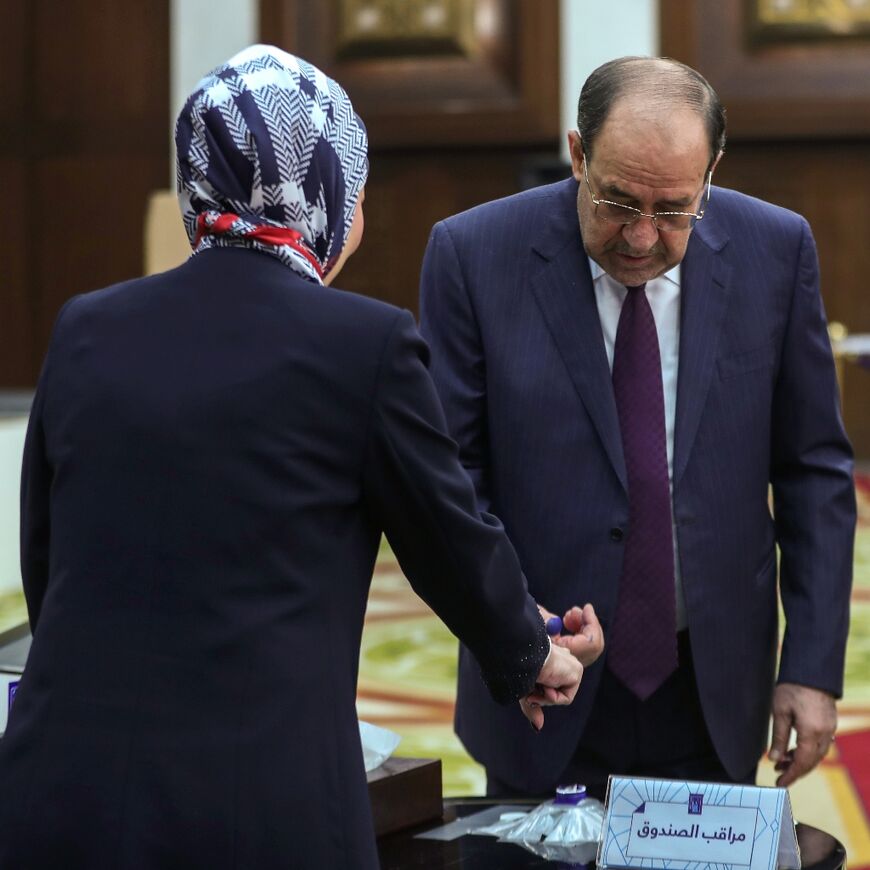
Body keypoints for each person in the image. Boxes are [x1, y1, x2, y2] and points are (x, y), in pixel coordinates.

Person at [0, 46, 583, 870]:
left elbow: (49, 562)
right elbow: (449, 539)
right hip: (258, 805)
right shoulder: (364, 345)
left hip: (64, 792)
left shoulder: (85, 327)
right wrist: (530, 653)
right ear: (329, 194)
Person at [420, 56, 856, 799]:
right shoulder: (473, 255)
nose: (644, 237)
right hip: (544, 680)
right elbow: (449, 482)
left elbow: (814, 471)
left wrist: (812, 668)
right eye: (619, 202)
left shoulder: (776, 253)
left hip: (716, 680)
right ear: (578, 154)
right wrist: (515, 631)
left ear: (711, 173)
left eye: (675, 208)